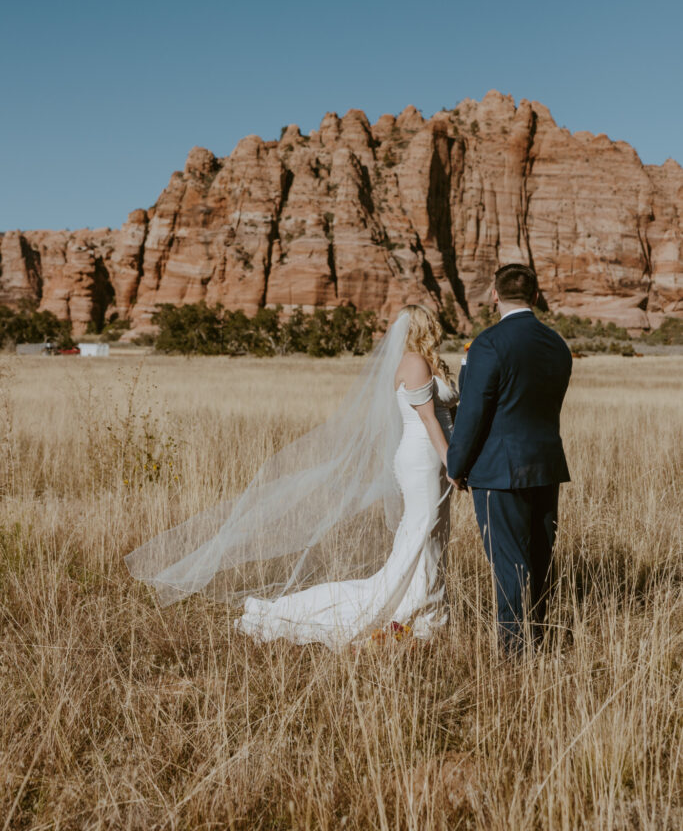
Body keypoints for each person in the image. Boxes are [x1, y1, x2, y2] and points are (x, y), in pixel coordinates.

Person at [125, 304, 459, 649]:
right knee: (422, 531)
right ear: (426, 326)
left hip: (435, 458)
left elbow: (448, 416)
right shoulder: (414, 363)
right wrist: (453, 463)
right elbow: (429, 420)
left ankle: (429, 610)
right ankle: (416, 611)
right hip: (423, 458)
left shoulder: (429, 363)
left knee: (432, 535)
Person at [447, 264, 572, 653]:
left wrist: (456, 466)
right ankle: (540, 637)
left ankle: (517, 652)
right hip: (546, 464)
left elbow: (472, 412)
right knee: (538, 558)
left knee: (509, 561)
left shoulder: (488, 344)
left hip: (499, 470)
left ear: (495, 295)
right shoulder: (557, 344)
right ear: (535, 297)